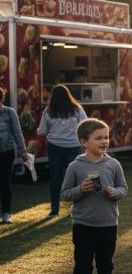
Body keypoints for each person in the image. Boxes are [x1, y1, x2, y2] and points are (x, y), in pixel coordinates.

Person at [60, 118, 127, 274]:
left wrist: (114, 192)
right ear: (84, 142)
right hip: (84, 225)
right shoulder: (75, 166)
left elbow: (123, 188)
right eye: (98, 138)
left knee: (106, 266)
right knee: (83, 268)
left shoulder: (113, 164)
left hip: (108, 225)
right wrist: (80, 190)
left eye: (106, 137)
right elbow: (64, 193)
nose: (104, 141)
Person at [38, 84, 88, 219]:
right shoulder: (76, 109)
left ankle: (54, 208)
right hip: (73, 146)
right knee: (77, 177)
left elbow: (42, 131)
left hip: (55, 147)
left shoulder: (49, 111)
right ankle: (80, 206)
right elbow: (85, 124)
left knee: (55, 178)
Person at [0, 87, 30, 224]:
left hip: (6, 152)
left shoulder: (9, 112)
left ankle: (6, 213)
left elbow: (17, 133)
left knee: (5, 182)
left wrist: (23, 152)